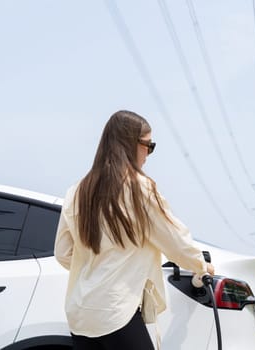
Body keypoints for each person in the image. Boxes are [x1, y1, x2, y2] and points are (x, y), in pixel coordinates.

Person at [54, 110, 214, 350]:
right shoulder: (139, 188)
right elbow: (174, 239)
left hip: (81, 314)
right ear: (130, 144)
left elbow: (63, 253)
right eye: (148, 145)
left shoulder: (77, 192)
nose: (148, 154)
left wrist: (97, 267)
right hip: (115, 310)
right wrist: (202, 266)